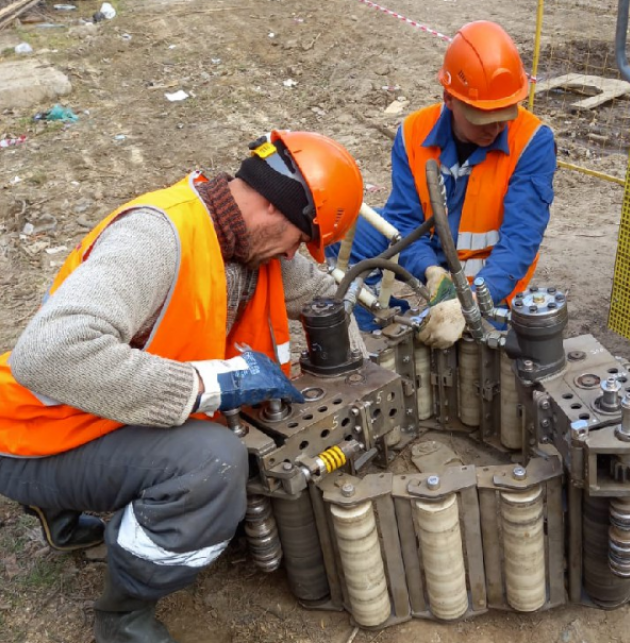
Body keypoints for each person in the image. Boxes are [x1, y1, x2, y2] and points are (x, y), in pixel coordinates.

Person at [0, 129, 366, 643]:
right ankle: (123, 615)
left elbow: (327, 299)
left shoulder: (255, 245)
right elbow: (49, 353)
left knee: (205, 455)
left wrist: (358, 365)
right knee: (209, 463)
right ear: (273, 208)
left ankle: (64, 506)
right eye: (298, 240)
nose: (295, 255)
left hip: (95, 417)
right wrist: (205, 384)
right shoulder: (157, 238)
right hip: (30, 433)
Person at [333, 20, 557, 348]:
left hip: (490, 275)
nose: (495, 128)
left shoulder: (533, 141)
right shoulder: (413, 133)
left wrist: (470, 305)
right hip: (435, 256)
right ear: (449, 99)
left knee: (476, 352)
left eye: (504, 115)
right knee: (342, 232)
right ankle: (389, 330)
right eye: (482, 116)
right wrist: (428, 270)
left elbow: (520, 242)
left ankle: (464, 320)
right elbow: (404, 222)